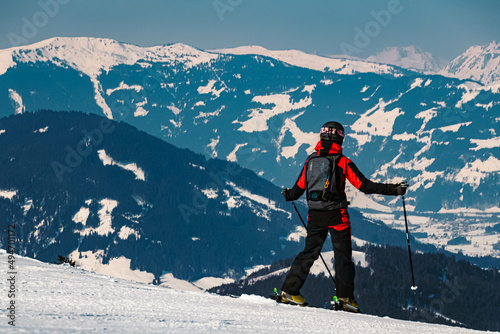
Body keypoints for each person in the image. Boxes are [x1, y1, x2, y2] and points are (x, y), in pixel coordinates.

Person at [280, 121, 407, 312]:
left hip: (314, 216)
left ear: (321, 137)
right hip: (337, 216)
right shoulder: (342, 161)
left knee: (308, 253)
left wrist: (287, 195)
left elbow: (298, 189)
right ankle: (345, 299)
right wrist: (395, 190)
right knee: (343, 257)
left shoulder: (310, 160)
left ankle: (289, 291)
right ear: (340, 138)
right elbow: (365, 186)